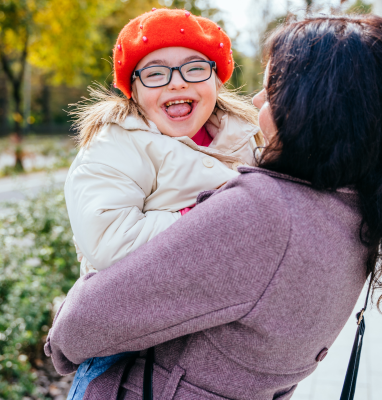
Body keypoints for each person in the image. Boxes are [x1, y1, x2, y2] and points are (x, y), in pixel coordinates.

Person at [46, 14, 382, 400]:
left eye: (274, 87)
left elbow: (79, 326)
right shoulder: (357, 210)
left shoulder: (262, 209)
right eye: (155, 73)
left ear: (316, 105)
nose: (259, 100)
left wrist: (61, 338)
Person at [62, 8, 264, 399]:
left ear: (217, 79)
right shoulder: (117, 142)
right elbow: (109, 241)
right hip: (128, 342)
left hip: (212, 336)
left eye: (194, 68)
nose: (176, 84)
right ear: (133, 90)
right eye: (155, 73)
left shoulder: (247, 137)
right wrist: (212, 217)